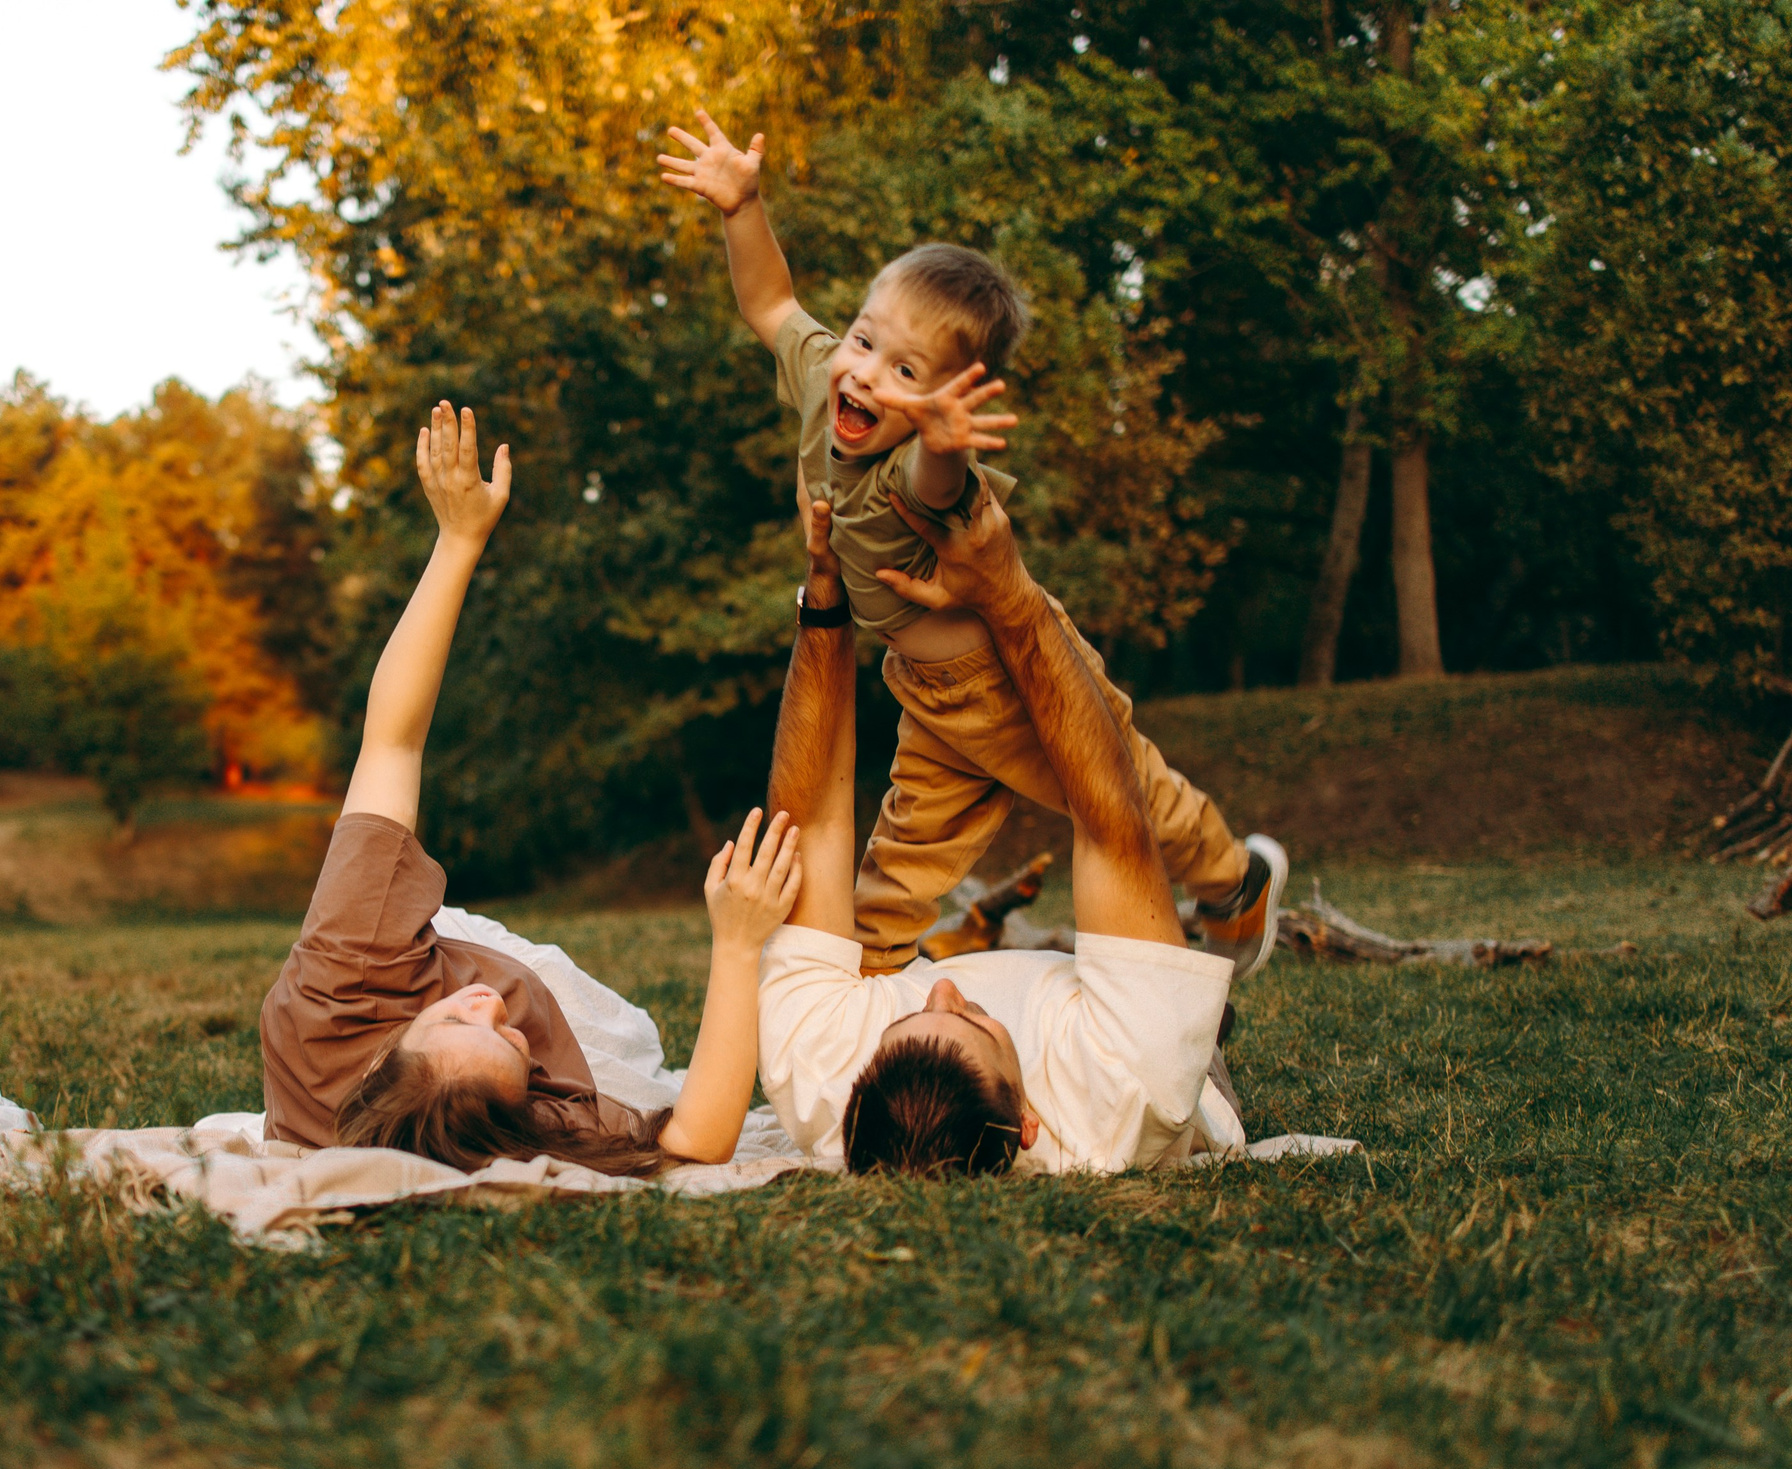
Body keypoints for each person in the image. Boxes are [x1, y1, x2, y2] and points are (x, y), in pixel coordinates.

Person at [657, 111, 1287, 978]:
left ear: (946, 402)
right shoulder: (826, 376)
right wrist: (741, 209)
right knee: (905, 846)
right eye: (867, 340)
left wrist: (944, 437)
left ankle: (1235, 881)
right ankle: (868, 985)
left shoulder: (914, 474)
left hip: (1017, 678)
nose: (867, 372)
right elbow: (771, 300)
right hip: (932, 693)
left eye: (906, 373)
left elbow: (936, 483)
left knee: (1121, 798)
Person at [259, 401, 803, 1175]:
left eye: (463, 1024)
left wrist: (457, 541)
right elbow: (697, 1142)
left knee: (573, 1012)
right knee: (631, 1063)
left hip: (422, 964)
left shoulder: (346, 974)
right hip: (538, 1072)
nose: (495, 1011)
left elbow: (392, 740)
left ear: (388, 1054)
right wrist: (739, 943)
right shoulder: (523, 1102)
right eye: (506, 1039)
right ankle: (570, 1057)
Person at [757, 481, 1269, 1176]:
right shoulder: (1125, 1084)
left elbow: (811, 820)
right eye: (972, 1018)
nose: (944, 990)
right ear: (1028, 1123)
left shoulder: (818, 1073)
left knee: (872, 931)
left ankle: (950, 672)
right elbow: (1108, 809)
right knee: (1054, 716)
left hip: (1000, 991)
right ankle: (1225, 936)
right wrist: (1008, 592)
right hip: (1141, 1032)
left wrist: (825, 590)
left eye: (910, 1019)